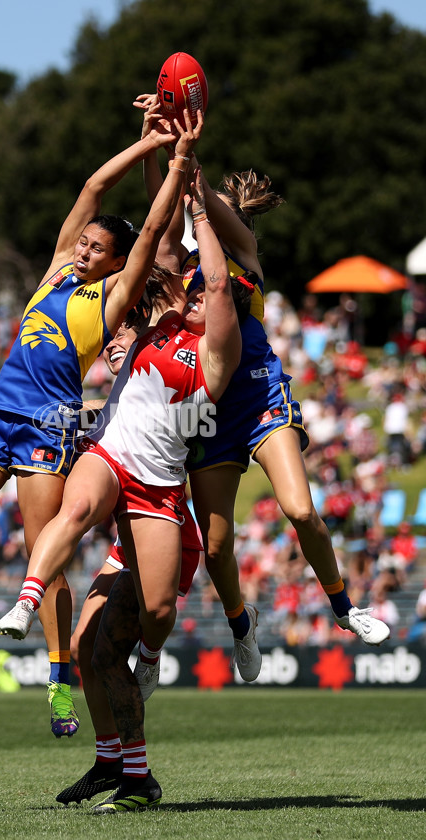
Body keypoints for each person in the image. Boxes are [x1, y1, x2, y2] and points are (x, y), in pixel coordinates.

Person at [0, 109, 193, 740]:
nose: (82, 250)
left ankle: (60, 675)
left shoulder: (115, 295)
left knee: (44, 557)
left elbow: (153, 231)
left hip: (48, 427)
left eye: (96, 248)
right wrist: (147, 139)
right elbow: (92, 189)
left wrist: (174, 165)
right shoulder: (56, 274)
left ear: (119, 261)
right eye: (82, 242)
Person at [0, 160, 247, 812]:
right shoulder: (150, 320)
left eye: (199, 296)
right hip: (111, 468)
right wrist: (165, 153)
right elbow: (151, 241)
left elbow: (214, 279)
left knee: (142, 627)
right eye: (184, 291)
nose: (188, 294)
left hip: (160, 500)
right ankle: (117, 762)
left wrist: (200, 210)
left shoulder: (217, 351)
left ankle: (138, 743)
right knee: (85, 640)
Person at [135, 93, 390, 651]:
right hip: (208, 409)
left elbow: (192, 195)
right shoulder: (181, 270)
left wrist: (187, 153)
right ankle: (239, 624)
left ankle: (345, 607)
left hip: (258, 396)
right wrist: (159, 148)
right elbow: (162, 209)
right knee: (219, 547)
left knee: (300, 509)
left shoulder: (245, 254)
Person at [56, 310, 204, 807]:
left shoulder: (163, 378)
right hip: (127, 541)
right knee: (85, 646)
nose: (112, 342)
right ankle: (112, 763)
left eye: (124, 331)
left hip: (162, 527)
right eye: (108, 337)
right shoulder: (109, 400)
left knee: (115, 645)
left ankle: (136, 770)